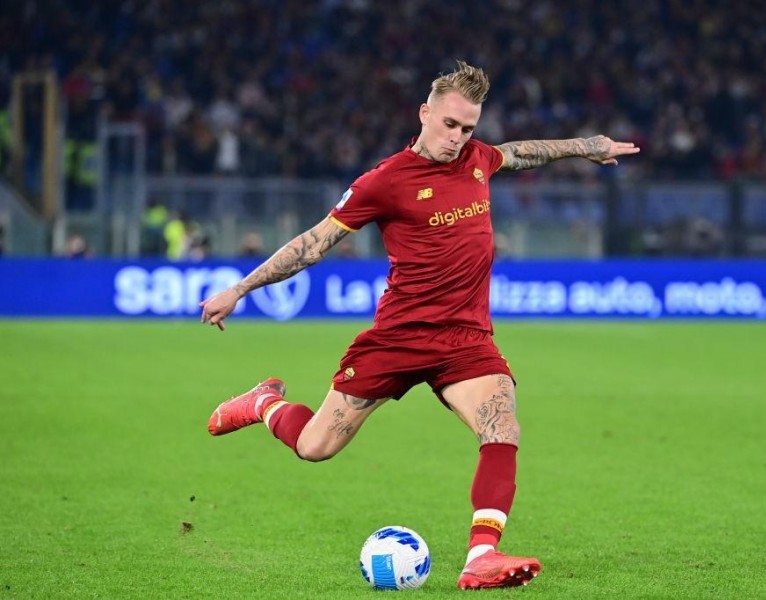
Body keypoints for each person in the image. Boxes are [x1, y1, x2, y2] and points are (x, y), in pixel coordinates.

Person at [199, 61, 639, 590]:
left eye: (469, 129)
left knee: (502, 426)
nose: (458, 138)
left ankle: (481, 556)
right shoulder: (384, 182)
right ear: (425, 114)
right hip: (398, 338)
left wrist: (588, 144)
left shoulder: (478, 160)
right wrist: (241, 288)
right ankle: (264, 402)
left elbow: (524, 151)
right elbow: (313, 244)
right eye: (450, 125)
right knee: (316, 446)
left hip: (466, 339)